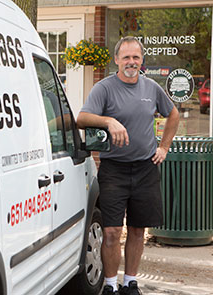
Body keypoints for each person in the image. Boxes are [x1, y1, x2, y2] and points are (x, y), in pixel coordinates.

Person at [76, 36, 179, 295]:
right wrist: (109, 121)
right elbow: (81, 118)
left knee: (137, 230)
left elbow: (173, 114)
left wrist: (164, 147)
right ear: (116, 60)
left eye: (135, 57)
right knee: (111, 231)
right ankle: (110, 284)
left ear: (142, 60)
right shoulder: (104, 88)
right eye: (126, 57)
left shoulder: (152, 88)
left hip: (146, 169)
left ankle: (130, 282)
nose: (131, 62)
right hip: (114, 170)